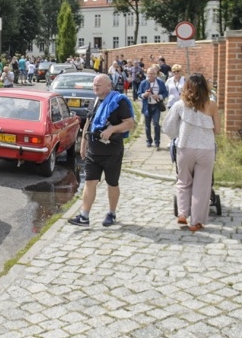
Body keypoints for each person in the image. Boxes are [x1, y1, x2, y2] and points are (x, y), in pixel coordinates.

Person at [68, 74, 135, 227]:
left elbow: (129, 123)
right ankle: (84, 216)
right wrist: (83, 146)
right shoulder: (94, 101)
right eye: (94, 84)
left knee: (112, 183)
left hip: (112, 151)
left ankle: (111, 213)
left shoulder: (119, 102)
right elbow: (88, 124)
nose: (95, 87)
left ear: (108, 86)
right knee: (90, 182)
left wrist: (112, 129)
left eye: (99, 84)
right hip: (93, 151)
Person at [162, 73, 219, 232]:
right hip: (206, 149)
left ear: (187, 87)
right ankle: (196, 221)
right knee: (202, 185)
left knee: (183, 181)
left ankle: (182, 213)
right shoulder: (212, 105)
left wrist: (181, 132)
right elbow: (218, 130)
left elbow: (168, 128)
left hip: (185, 148)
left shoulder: (180, 105)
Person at [138, 66, 168, 148]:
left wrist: (159, 96)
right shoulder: (143, 83)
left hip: (156, 106)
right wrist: (144, 95)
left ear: (155, 74)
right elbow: (139, 94)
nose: (150, 75)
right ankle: (149, 141)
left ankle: (157, 142)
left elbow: (165, 93)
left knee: (156, 124)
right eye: (149, 74)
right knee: (147, 125)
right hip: (147, 106)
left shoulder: (160, 83)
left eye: (152, 74)